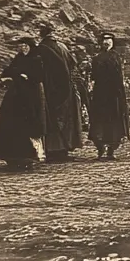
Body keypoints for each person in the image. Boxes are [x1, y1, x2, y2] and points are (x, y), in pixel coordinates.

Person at [0, 36, 47, 168]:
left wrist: (26, 76)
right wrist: (18, 74)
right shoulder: (19, 58)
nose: (23, 48)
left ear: (30, 46)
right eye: (21, 46)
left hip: (30, 95)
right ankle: (11, 154)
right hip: (16, 94)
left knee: (28, 121)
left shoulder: (37, 59)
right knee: (10, 120)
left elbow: (39, 76)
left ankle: (29, 154)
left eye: (25, 45)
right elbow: (8, 71)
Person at [35, 23, 83, 161]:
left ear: (41, 34)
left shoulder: (39, 49)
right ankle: (63, 150)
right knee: (65, 119)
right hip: (65, 88)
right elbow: (73, 63)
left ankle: (51, 150)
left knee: (50, 119)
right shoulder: (62, 47)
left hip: (47, 89)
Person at [88, 33, 130, 160]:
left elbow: (119, 77)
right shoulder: (97, 58)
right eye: (105, 41)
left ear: (113, 43)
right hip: (100, 96)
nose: (107, 43)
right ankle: (100, 148)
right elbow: (94, 76)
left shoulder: (116, 57)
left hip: (114, 96)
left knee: (114, 122)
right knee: (100, 121)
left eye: (109, 41)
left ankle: (111, 150)